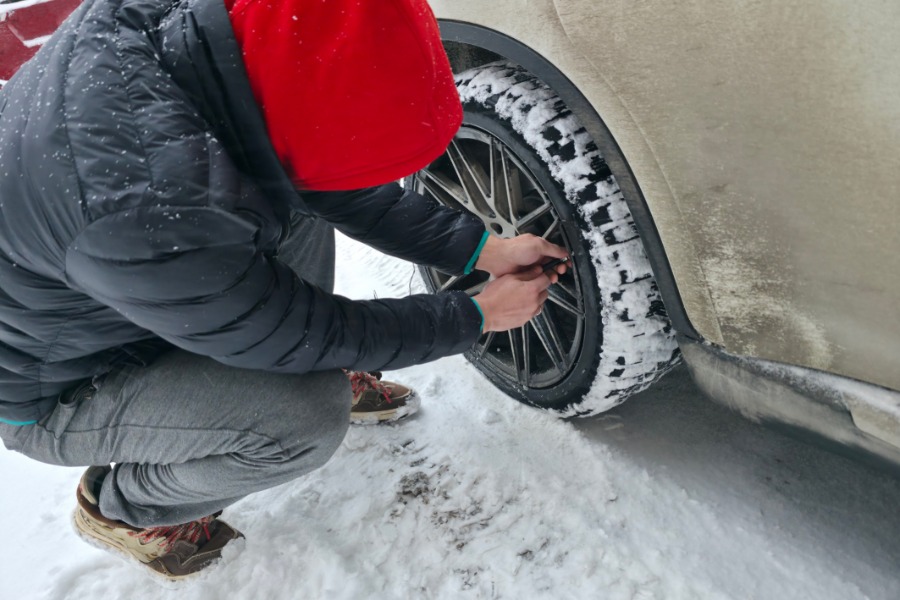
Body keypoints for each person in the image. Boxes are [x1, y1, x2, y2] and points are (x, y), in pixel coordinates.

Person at [0, 0, 568, 580]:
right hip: (54, 386)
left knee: (293, 200)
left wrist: (478, 250)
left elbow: (320, 174)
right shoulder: (152, 212)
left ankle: (254, 379)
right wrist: (471, 318)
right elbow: (294, 334)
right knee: (306, 419)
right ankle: (128, 507)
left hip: (129, 290)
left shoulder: (208, 44)